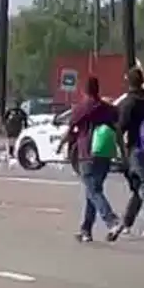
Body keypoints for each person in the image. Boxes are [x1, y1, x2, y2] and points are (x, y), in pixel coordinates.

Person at [58, 77, 123, 243]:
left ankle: (111, 221)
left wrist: (60, 145)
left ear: (84, 90)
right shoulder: (108, 109)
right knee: (92, 191)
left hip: (87, 153)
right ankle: (86, 230)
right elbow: (117, 129)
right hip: (105, 153)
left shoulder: (81, 108)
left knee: (93, 191)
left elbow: (70, 130)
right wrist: (122, 151)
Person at [109, 67, 144, 239]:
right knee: (138, 185)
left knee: (142, 183)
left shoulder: (129, 102)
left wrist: (118, 147)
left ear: (129, 82)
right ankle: (127, 222)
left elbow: (120, 126)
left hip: (136, 146)